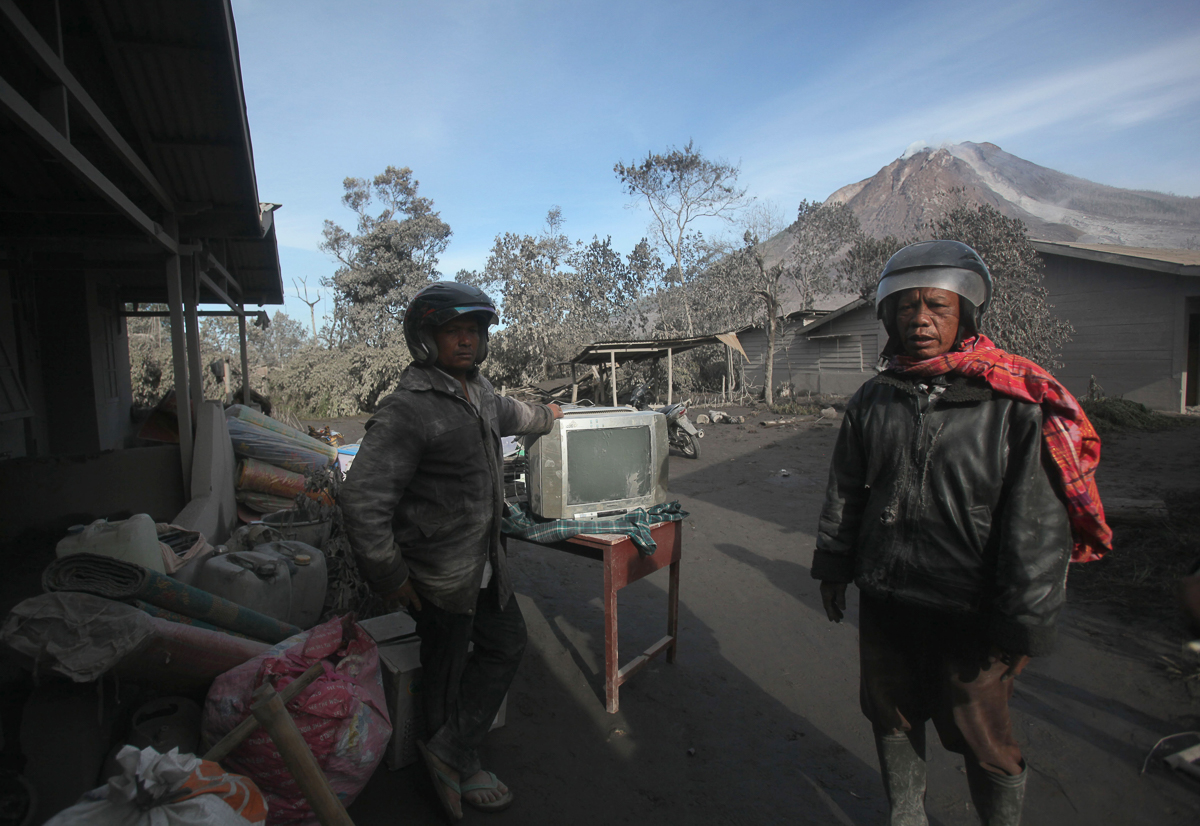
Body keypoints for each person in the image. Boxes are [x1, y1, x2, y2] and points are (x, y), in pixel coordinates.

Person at [811, 240, 1110, 826]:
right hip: (888, 595)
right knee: (889, 712)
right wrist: (834, 565)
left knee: (982, 735)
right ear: (890, 316)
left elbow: (1037, 527)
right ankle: (906, 815)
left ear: (965, 315)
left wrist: (1024, 621)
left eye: (937, 306)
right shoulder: (874, 398)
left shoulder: (1014, 403)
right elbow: (846, 490)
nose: (920, 319)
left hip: (971, 608)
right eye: (907, 306)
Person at [340, 281, 562, 821]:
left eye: (474, 331)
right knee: (444, 669)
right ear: (425, 339)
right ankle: (448, 767)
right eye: (453, 331)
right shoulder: (408, 410)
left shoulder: (479, 392)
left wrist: (550, 414)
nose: (466, 341)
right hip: (437, 573)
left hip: (484, 564)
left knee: (506, 643)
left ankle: (449, 751)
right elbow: (362, 499)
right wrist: (390, 576)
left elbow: (515, 414)